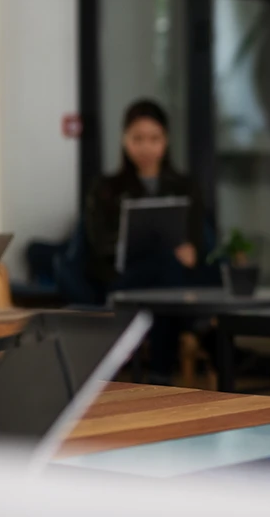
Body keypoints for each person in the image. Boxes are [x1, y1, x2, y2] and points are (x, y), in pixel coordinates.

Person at [86, 99, 206, 383]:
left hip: (173, 275)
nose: (146, 148)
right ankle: (161, 372)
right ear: (124, 140)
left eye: (154, 139)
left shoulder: (186, 187)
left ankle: (159, 371)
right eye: (137, 139)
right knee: (166, 271)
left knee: (168, 269)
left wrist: (192, 250)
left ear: (166, 140)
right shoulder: (106, 188)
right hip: (125, 277)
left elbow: (198, 239)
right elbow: (97, 245)